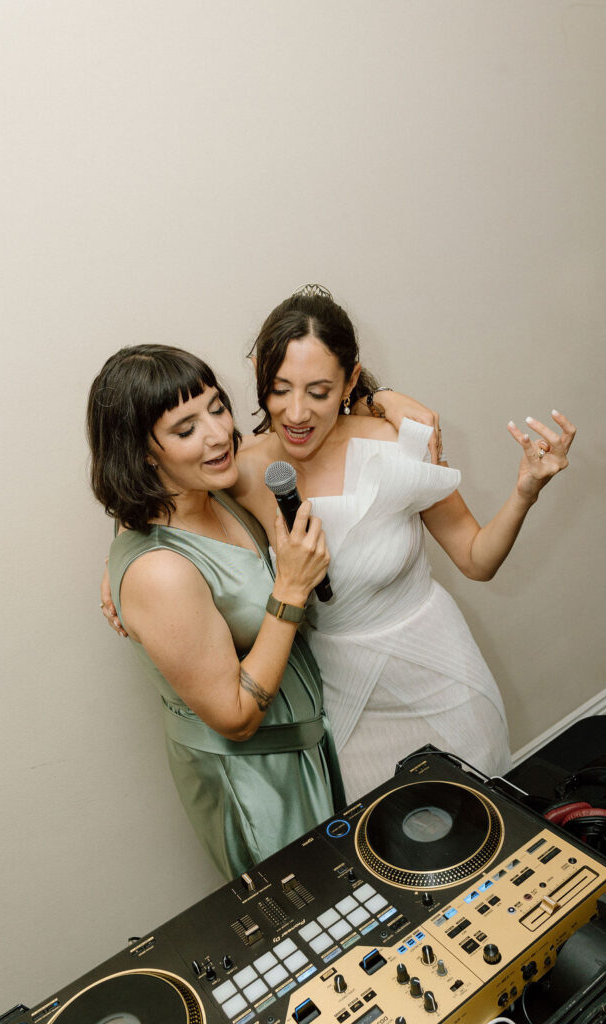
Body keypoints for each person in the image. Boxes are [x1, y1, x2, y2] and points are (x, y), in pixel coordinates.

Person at [227, 285, 576, 801]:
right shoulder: (247, 469)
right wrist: (121, 562)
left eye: (318, 392)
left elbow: (476, 559)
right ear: (260, 375)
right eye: (280, 389)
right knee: (379, 839)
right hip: (346, 706)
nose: (296, 413)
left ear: (349, 381)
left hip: (442, 682)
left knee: (486, 827)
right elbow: (167, 490)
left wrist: (525, 492)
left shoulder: (396, 444)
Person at [87, 344, 346, 879]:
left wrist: (385, 398)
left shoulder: (214, 490)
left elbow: (304, 424)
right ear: (143, 453)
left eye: (217, 408)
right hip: (257, 778)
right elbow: (234, 716)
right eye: (186, 429)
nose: (218, 433)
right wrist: (291, 588)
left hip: (307, 745)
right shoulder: (160, 573)